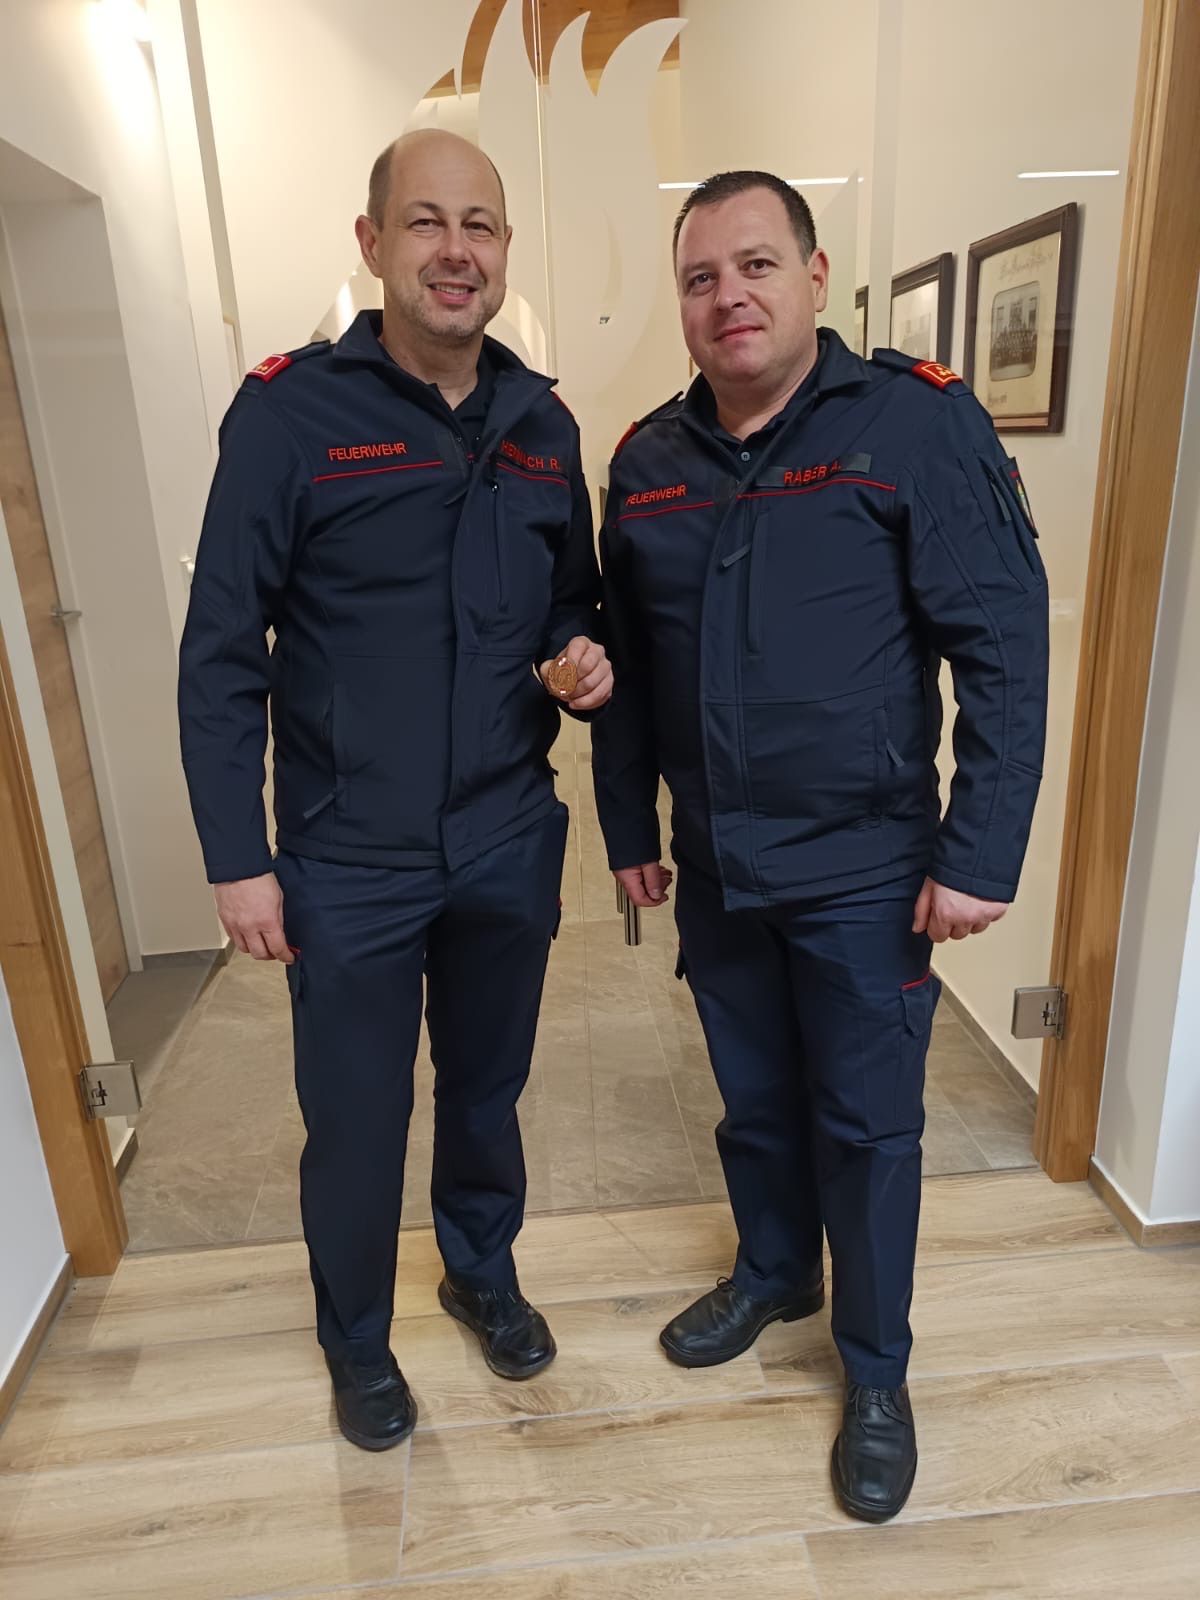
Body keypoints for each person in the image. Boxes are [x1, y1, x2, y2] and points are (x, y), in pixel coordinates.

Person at [593, 170, 1047, 1523]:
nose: (728, 295)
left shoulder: (912, 423)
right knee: (756, 1103)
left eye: (755, 265)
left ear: (814, 274)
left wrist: (978, 854)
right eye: (699, 276)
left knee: (867, 1125)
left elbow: (1003, 655)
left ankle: (880, 1371)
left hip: (865, 871)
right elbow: (624, 669)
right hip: (721, 869)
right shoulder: (647, 463)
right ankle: (778, 1269)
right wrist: (630, 831)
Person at [179, 130, 611, 1452]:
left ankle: (480, 1271)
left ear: (503, 252)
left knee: (486, 1091)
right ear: (371, 245)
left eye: (479, 225)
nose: (455, 251)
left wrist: (583, 659)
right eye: (425, 223)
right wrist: (237, 856)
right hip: (344, 854)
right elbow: (219, 649)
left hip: (501, 833)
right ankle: (355, 1338)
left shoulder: (545, 424)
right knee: (360, 1119)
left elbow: (575, 602)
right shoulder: (287, 414)